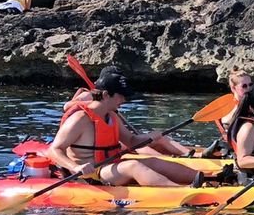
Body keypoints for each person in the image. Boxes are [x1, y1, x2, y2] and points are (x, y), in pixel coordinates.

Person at [45, 70, 203, 188]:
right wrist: (75, 167)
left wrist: (151, 137)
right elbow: (54, 150)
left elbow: (131, 141)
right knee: (133, 166)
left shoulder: (111, 117)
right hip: (91, 175)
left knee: (154, 162)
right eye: (120, 96)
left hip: (111, 167)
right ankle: (181, 191)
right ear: (106, 95)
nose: (124, 100)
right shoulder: (80, 119)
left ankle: (210, 178)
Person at [62, 66, 197, 159]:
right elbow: (68, 106)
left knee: (158, 137)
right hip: (94, 142)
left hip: (108, 138)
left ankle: (191, 154)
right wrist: (97, 105)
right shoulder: (89, 96)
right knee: (134, 146)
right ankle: (167, 160)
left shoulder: (111, 104)